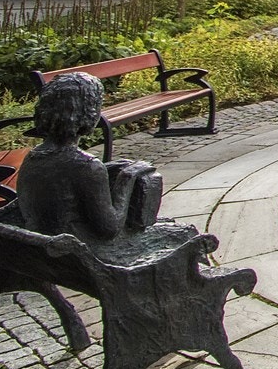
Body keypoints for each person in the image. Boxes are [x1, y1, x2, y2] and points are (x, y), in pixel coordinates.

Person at [13, 72, 178, 259]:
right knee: (179, 234)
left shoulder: (33, 157)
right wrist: (127, 177)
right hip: (82, 254)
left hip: (42, 245)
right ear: (89, 112)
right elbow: (110, 228)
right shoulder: (87, 166)